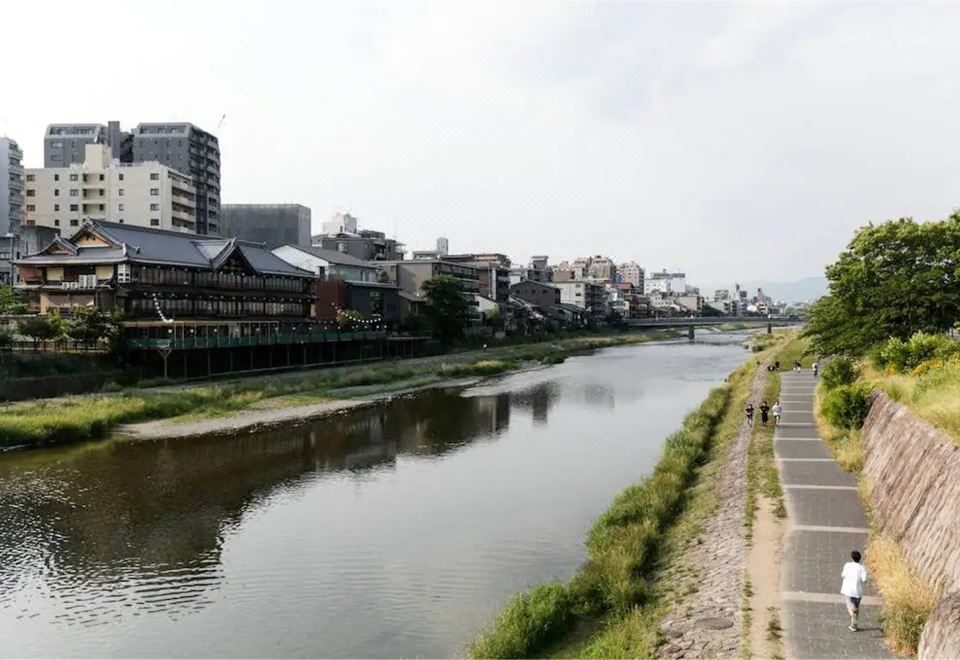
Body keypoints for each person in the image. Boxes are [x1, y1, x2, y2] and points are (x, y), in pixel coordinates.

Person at [841, 550, 868, 632]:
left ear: (852, 558)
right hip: (858, 592)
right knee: (856, 607)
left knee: (850, 607)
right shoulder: (862, 567)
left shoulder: (847, 565)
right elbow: (864, 580)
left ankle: (853, 616)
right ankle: (854, 625)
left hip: (848, 590)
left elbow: (843, 575)